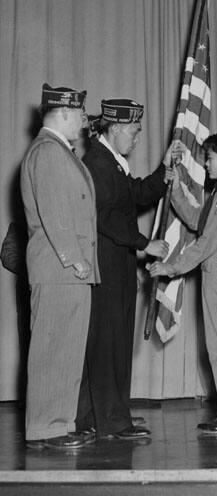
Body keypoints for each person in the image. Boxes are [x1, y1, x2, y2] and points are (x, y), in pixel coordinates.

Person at [148, 130, 217, 435]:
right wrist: (173, 192)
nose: (207, 164)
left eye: (210, 158)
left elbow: (205, 243)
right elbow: (200, 220)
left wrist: (170, 268)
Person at [75, 99, 175, 440]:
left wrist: (163, 170)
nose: (136, 139)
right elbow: (104, 215)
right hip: (105, 268)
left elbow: (136, 194)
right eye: (133, 132)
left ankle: (96, 417)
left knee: (110, 342)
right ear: (115, 129)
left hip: (115, 267)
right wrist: (143, 243)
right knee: (108, 344)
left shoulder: (111, 163)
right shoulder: (97, 163)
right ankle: (113, 422)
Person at [20, 83, 100, 450]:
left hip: (67, 272)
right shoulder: (49, 153)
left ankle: (60, 423)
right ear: (64, 113)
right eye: (81, 115)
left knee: (66, 350)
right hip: (59, 269)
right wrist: (75, 260)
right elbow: (55, 215)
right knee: (52, 350)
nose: (84, 123)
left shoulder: (57, 151)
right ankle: (45, 428)